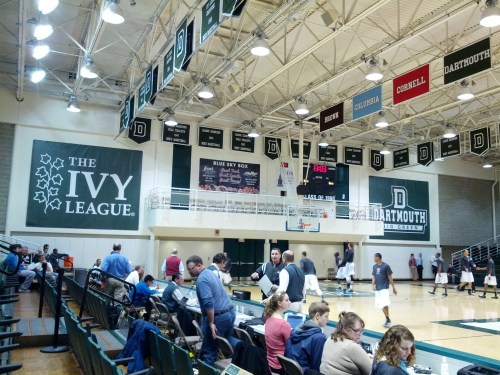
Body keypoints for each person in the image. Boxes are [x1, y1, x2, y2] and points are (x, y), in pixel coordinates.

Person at [186, 255, 236, 365]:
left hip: (218, 318)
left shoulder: (202, 279)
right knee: (227, 341)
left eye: (191, 269)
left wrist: (211, 323)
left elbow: (209, 303)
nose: (189, 272)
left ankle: (207, 370)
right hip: (229, 313)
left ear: (199, 265)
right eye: (188, 269)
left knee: (209, 351)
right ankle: (244, 351)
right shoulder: (210, 273)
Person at [284, 301, 329, 372]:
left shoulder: (297, 329)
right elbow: (315, 368)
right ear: (317, 316)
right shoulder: (320, 337)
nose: (328, 319)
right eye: (326, 316)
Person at [264, 292, 291, 375]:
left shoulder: (269, 318)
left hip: (269, 363)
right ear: (279, 303)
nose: (289, 302)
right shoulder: (283, 324)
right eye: (286, 300)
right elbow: (290, 347)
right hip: (280, 366)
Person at [372, 253, 397, 328]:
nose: (374, 258)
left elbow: (390, 277)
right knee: (381, 305)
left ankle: (388, 320)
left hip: (384, 288)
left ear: (378, 258)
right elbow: (374, 276)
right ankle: (387, 319)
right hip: (378, 289)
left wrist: (393, 288)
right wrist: (372, 285)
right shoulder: (374, 266)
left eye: (374, 257)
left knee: (385, 304)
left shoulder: (386, 266)